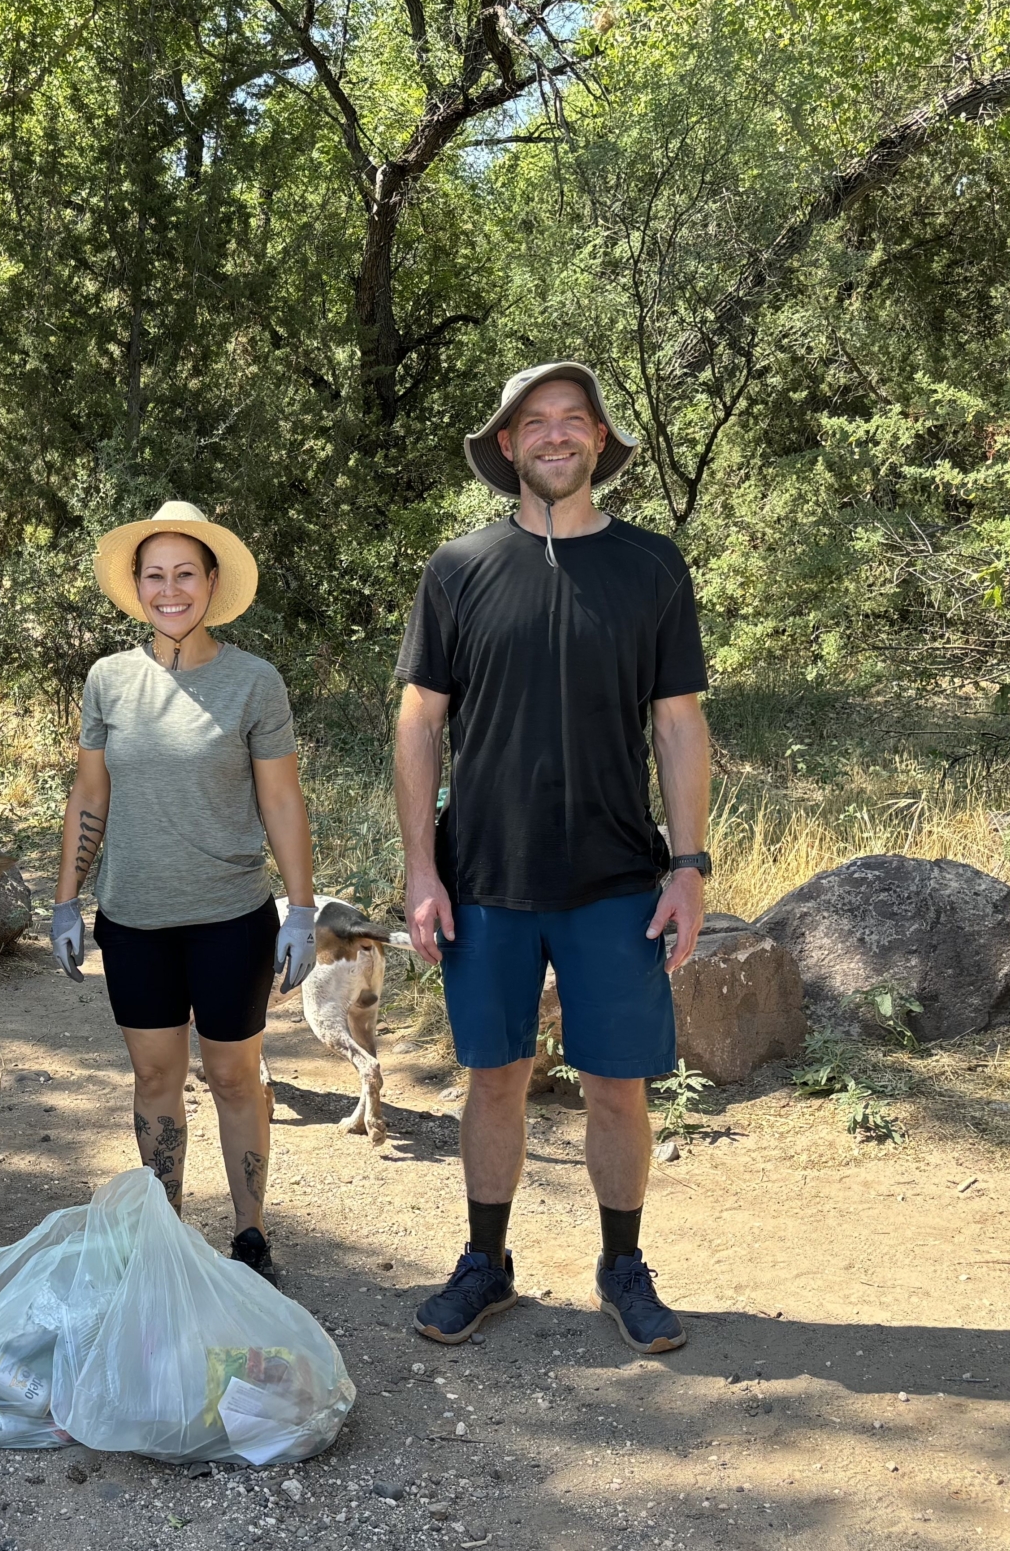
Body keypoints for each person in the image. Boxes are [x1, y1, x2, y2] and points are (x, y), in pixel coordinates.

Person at [396, 362, 711, 1355]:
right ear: (506, 446)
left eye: (574, 419)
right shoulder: (456, 569)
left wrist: (690, 865)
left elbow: (678, 724)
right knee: (496, 1076)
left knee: (618, 1083)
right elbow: (417, 725)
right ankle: (485, 1265)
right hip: (483, 878)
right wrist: (419, 869)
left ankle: (622, 1267)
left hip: (616, 881)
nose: (555, 434)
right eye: (535, 421)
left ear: (600, 441)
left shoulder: (651, 568)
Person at [49, 500, 318, 1284]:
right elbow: (88, 794)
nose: (171, 590)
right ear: (137, 587)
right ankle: (165, 1237)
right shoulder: (108, 680)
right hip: (134, 920)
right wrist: (67, 899)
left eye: (185, 574)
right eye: (155, 576)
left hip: (231, 919)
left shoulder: (253, 683)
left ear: (211, 583)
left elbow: (281, 800)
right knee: (156, 1080)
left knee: (235, 1076)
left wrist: (300, 910)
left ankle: (251, 1235)